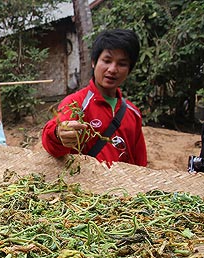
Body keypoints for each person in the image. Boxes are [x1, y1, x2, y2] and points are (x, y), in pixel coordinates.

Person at [41, 29, 147, 167]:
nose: (112, 69)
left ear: (129, 69)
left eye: (122, 64)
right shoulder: (76, 104)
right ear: (94, 62)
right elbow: (53, 145)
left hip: (124, 187)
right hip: (87, 186)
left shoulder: (133, 113)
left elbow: (140, 162)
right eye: (107, 60)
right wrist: (58, 134)